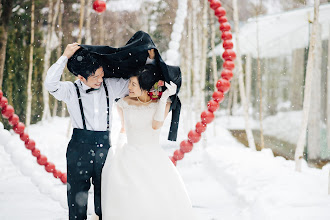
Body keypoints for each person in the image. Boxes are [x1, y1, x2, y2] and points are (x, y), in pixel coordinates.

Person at [44, 43, 155, 220]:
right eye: (95, 77)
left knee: (105, 201)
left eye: (101, 74)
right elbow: (50, 84)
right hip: (78, 149)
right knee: (76, 200)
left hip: (104, 148)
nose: (99, 79)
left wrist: (150, 61)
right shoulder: (70, 91)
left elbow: (138, 81)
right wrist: (64, 56)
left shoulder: (110, 86)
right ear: (81, 77)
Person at [100, 62, 197, 220]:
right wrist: (116, 150)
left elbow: (156, 125)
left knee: (156, 193)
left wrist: (165, 96)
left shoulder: (162, 103)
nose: (129, 87)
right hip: (128, 154)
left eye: (133, 84)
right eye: (129, 83)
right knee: (127, 194)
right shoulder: (123, 103)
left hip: (152, 155)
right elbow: (123, 128)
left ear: (145, 86)